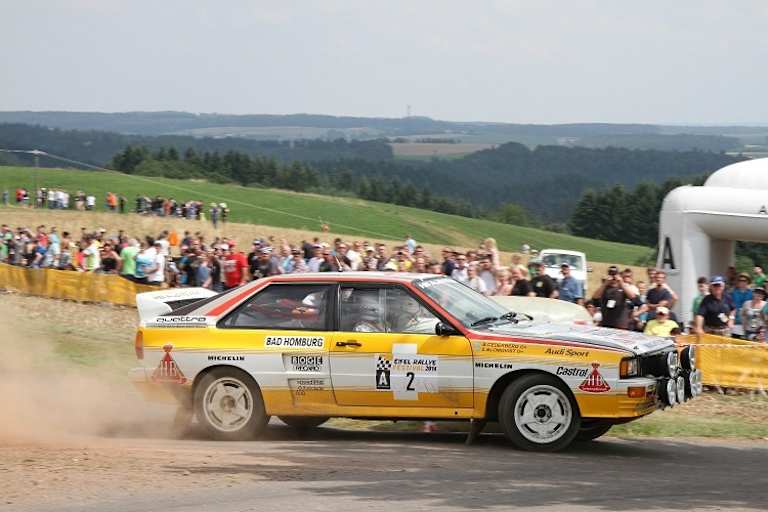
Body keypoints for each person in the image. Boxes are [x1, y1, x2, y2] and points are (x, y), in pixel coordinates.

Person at [730, 273, 753, 338]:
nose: (742, 282)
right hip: (735, 323)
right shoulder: (732, 293)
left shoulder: (752, 293)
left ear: (748, 282)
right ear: (738, 282)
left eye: (744, 280)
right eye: (740, 280)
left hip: (747, 324)